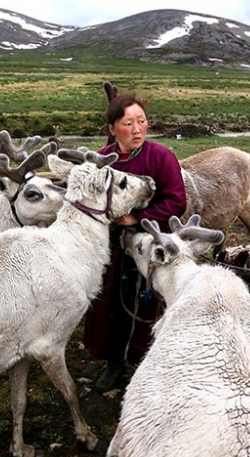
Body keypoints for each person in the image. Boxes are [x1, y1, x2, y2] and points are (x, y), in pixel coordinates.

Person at [83, 89, 187, 392]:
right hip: (109, 246)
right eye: (128, 123)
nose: (137, 129)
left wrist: (136, 219)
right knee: (108, 303)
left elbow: (177, 202)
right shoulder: (100, 161)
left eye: (141, 121)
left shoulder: (161, 157)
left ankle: (146, 362)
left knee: (147, 304)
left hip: (149, 242)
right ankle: (113, 362)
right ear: (112, 128)